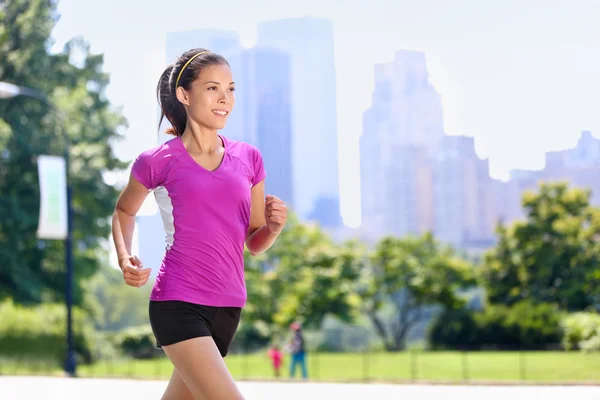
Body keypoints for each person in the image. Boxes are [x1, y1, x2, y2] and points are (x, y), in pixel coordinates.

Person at [111, 48, 287, 400]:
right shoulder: (157, 161)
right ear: (184, 94)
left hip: (229, 307)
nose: (225, 98)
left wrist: (273, 228)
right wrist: (124, 255)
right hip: (178, 302)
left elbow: (253, 241)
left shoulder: (249, 158)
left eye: (231, 89)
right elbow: (123, 212)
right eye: (212, 88)